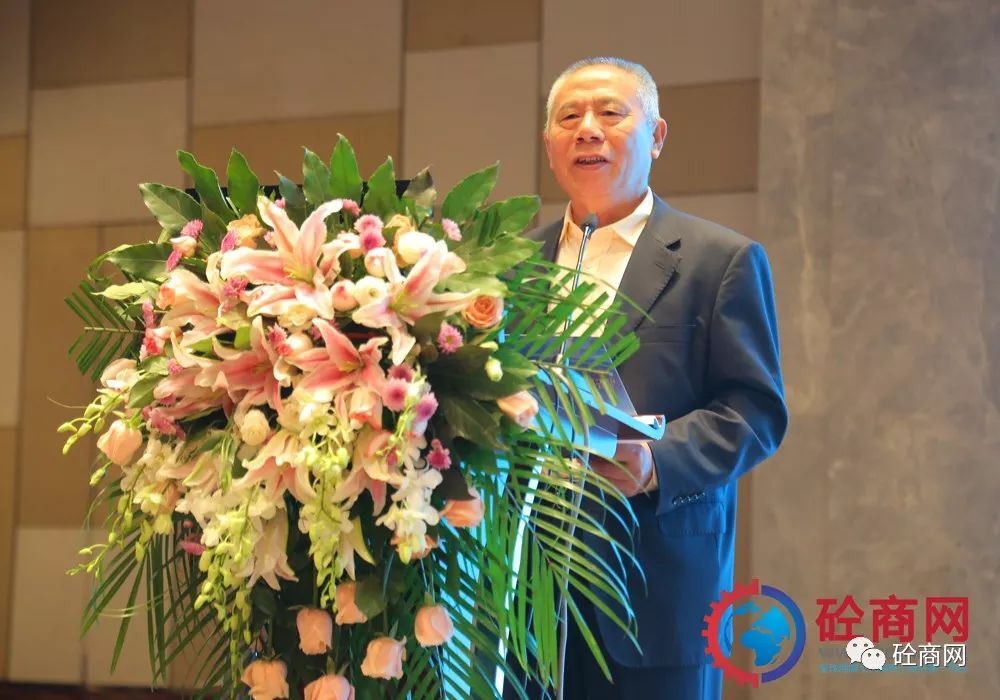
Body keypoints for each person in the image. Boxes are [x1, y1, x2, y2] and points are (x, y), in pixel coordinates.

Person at [521, 57, 788, 699]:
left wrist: (656, 462)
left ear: (657, 135)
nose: (588, 129)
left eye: (611, 113)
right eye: (569, 117)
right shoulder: (512, 268)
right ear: (550, 144)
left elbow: (755, 410)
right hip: (524, 602)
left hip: (656, 591)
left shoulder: (718, 261)